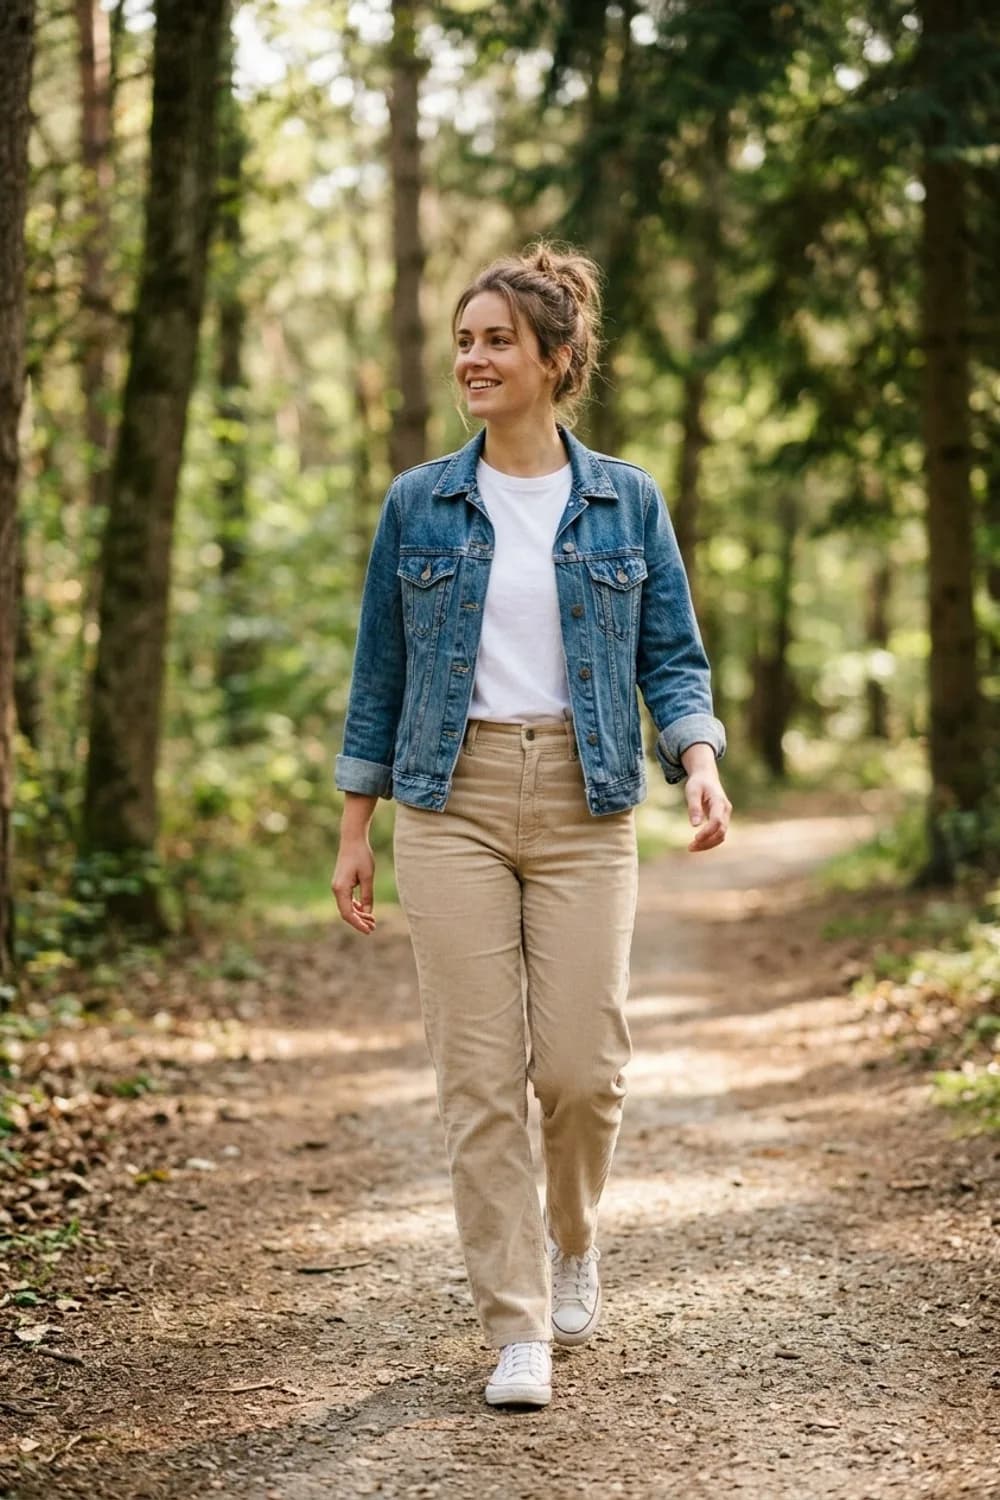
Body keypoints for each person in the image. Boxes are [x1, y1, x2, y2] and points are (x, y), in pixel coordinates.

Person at [331, 243, 731, 1410]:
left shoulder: (625, 499)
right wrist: (356, 827)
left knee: (581, 1071)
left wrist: (696, 761)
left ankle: (572, 1236)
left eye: (498, 340)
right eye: (464, 340)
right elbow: (379, 674)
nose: (473, 359)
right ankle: (516, 1327)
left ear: (558, 361)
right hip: (444, 800)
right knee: (476, 1078)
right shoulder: (419, 501)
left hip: (585, 795)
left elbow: (672, 656)